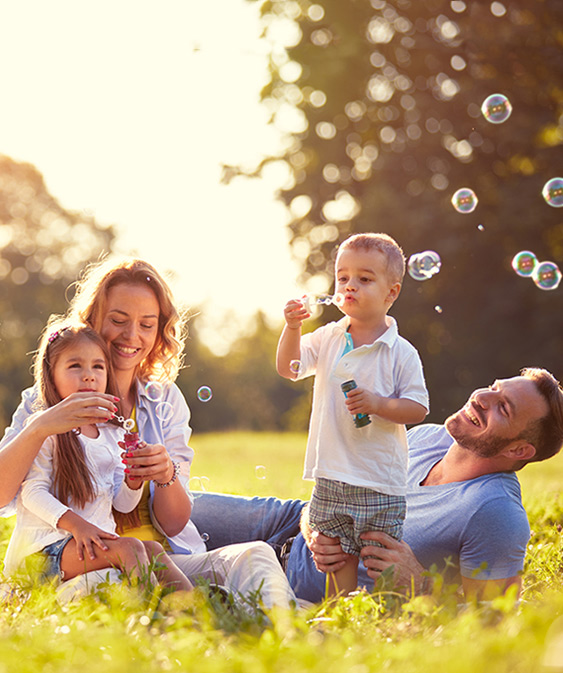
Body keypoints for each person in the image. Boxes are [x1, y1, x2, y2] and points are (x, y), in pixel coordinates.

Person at [0, 257, 296, 609]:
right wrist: (40, 426)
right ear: (93, 320)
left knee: (256, 555)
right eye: (118, 320)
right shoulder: (47, 400)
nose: (131, 336)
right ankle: (196, 616)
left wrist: (163, 475)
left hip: (165, 559)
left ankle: (285, 631)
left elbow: (171, 523)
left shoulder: (163, 399)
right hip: (80, 562)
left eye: (147, 324)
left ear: (159, 331)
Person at [189, 367, 563, 602]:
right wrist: (314, 522)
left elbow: (494, 626)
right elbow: (341, 487)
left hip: (300, 580)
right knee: (163, 505)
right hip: (289, 522)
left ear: (519, 449)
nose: (482, 397)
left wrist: (421, 585)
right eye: (494, 388)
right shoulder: (427, 438)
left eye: (504, 408)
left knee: (162, 567)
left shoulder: (495, 512)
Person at [276, 233, 429, 595]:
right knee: (335, 553)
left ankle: (389, 612)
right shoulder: (329, 337)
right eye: (343, 277)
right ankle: (342, 612)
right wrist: (293, 328)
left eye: (364, 279)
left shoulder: (400, 352)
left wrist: (378, 404)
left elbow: (418, 408)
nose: (349, 286)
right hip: (332, 471)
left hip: (379, 478)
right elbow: (289, 367)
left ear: (391, 293)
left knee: (380, 556)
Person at [4, 323, 192, 593]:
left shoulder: (110, 433)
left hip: (87, 545)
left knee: (153, 551)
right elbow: (31, 492)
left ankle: (196, 611)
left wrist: (133, 481)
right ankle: (154, 615)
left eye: (98, 367)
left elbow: (122, 505)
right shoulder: (46, 427)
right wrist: (78, 526)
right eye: (75, 366)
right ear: (51, 375)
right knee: (130, 547)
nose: (89, 376)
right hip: (42, 552)